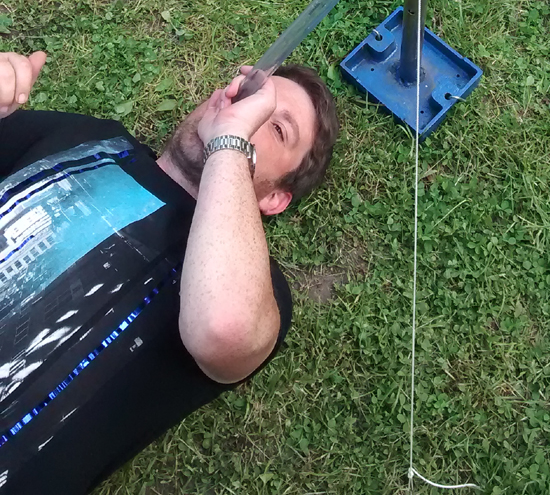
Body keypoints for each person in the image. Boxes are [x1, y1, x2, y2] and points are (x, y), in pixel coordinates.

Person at [0, 50, 339, 494]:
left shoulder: (256, 284)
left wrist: (231, 139)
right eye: (250, 92)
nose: (244, 106)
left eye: (276, 126)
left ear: (274, 199)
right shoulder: (86, 136)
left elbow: (224, 330)